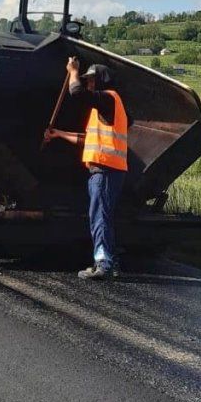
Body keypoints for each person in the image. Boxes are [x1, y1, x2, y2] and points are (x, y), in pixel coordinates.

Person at [44, 58, 129, 280]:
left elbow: (76, 93)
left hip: (105, 170)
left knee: (100, 216)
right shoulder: (105, 108)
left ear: (100, 81)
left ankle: (103, 263)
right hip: (106, 171)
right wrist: (59, 134)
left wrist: (72, 71)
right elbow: (86, 140)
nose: (89, 85)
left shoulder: (108, 99)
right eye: (87, 81)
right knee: (103, 216)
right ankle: (110, 261)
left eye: (91, 81)